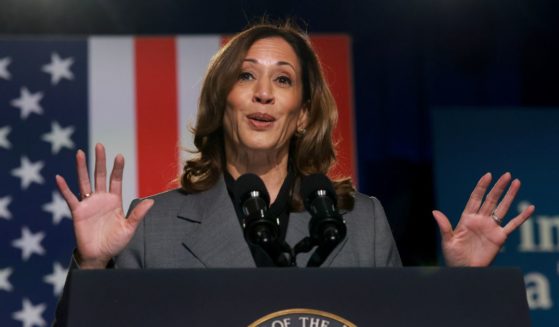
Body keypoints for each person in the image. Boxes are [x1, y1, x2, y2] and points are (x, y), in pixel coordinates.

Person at [55, 21, 535, 272]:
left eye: (282, 80)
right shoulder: (150, 225)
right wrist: (93, 265)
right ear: (222, 101)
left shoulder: (362, 223)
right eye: (246, 76)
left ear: (303, 113)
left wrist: (466, 285)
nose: (263, 92)